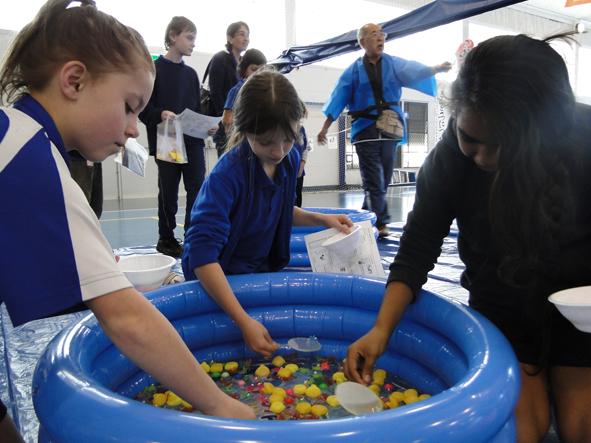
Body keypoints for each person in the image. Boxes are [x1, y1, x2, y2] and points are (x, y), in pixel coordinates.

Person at [0, 2, 255, 435]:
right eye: (130, 106)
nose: (136, 127)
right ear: (74, 80)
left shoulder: (13, 130)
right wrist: (224, 406)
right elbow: (126, 318)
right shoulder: (30, 160)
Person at [344, 34, 591, 443]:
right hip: (505, 300)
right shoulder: (449, 161)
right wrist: (381, 329)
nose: (484, 157)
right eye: (471, 139)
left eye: (503, 146)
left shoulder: (580, 140)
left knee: (580, 426)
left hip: (580, 302)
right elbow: (417, 247)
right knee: (521, 430)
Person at [182, 69, 353, 357]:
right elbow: (202, 255)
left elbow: (278, 209)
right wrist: (242, 320)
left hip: (257, 270)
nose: (278, 151)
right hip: (222, 277)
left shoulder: (290, 159)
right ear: (244, 128)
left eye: (287, 139)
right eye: (265, 142)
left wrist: (320, 220)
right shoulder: (227, 176)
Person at [317, 23, 451, 238]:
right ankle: (381, 222)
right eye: (373, 34)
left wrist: (436, 68)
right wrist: (324, 129)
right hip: (364, 130)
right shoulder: (352, 71)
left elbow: (414, 70)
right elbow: (338, 98)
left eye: (381, 34)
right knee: (374, 179)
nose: (380, 38)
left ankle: (363, 213)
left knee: (384, 178)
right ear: (362, 42)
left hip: (390, 126)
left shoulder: (393, 64)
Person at [139, 16, 208, 258]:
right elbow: (143, 109)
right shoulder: (154, 70)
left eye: (194, 39)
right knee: (168, 193)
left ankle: (193, 236)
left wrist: (206, 127)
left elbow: (196, 110)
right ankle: (166, 239)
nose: (193, 43)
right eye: (189, 37)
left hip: (193, 142)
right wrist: (161, 114)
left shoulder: (191, 74)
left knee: (197, 190)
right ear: (172, 37)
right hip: (166, 139)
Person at [206, 21, 250, 157]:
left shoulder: (244, 63)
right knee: (227, 160)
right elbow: (215, 92)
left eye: (248, 35)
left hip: (240, 121)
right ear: (230, 38)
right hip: (225, 121)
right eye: (242, 34)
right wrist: (224, 118)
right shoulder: (221, 58)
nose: (246, 38)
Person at [221, 48, 267, 136]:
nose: (258, 74)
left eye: (262, 70)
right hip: (242, 137)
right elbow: (227, 120)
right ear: (244, 69)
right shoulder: (237, 90)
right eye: (254, 69)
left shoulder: (262, 89)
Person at [293, 126, 311, 207]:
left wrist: (302, 164)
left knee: (297, 194)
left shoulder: (301, 129)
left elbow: (306, 148)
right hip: (286, 171)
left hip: (298, 169)